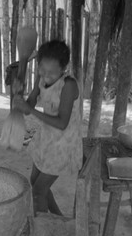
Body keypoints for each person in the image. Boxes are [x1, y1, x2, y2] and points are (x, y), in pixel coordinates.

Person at [13, 39, 83, 216]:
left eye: (51, 73)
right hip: (47, 138)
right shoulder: (42, 79)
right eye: (41, 70)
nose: (45, 76)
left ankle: (43, 233)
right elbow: (30, 104)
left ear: (63, 69)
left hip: (63, 144)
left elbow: (62, 123)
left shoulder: (68, 85)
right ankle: (58, 219)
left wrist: (30, 110)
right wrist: (19, 98)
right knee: (34, 181)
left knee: (38, 191)